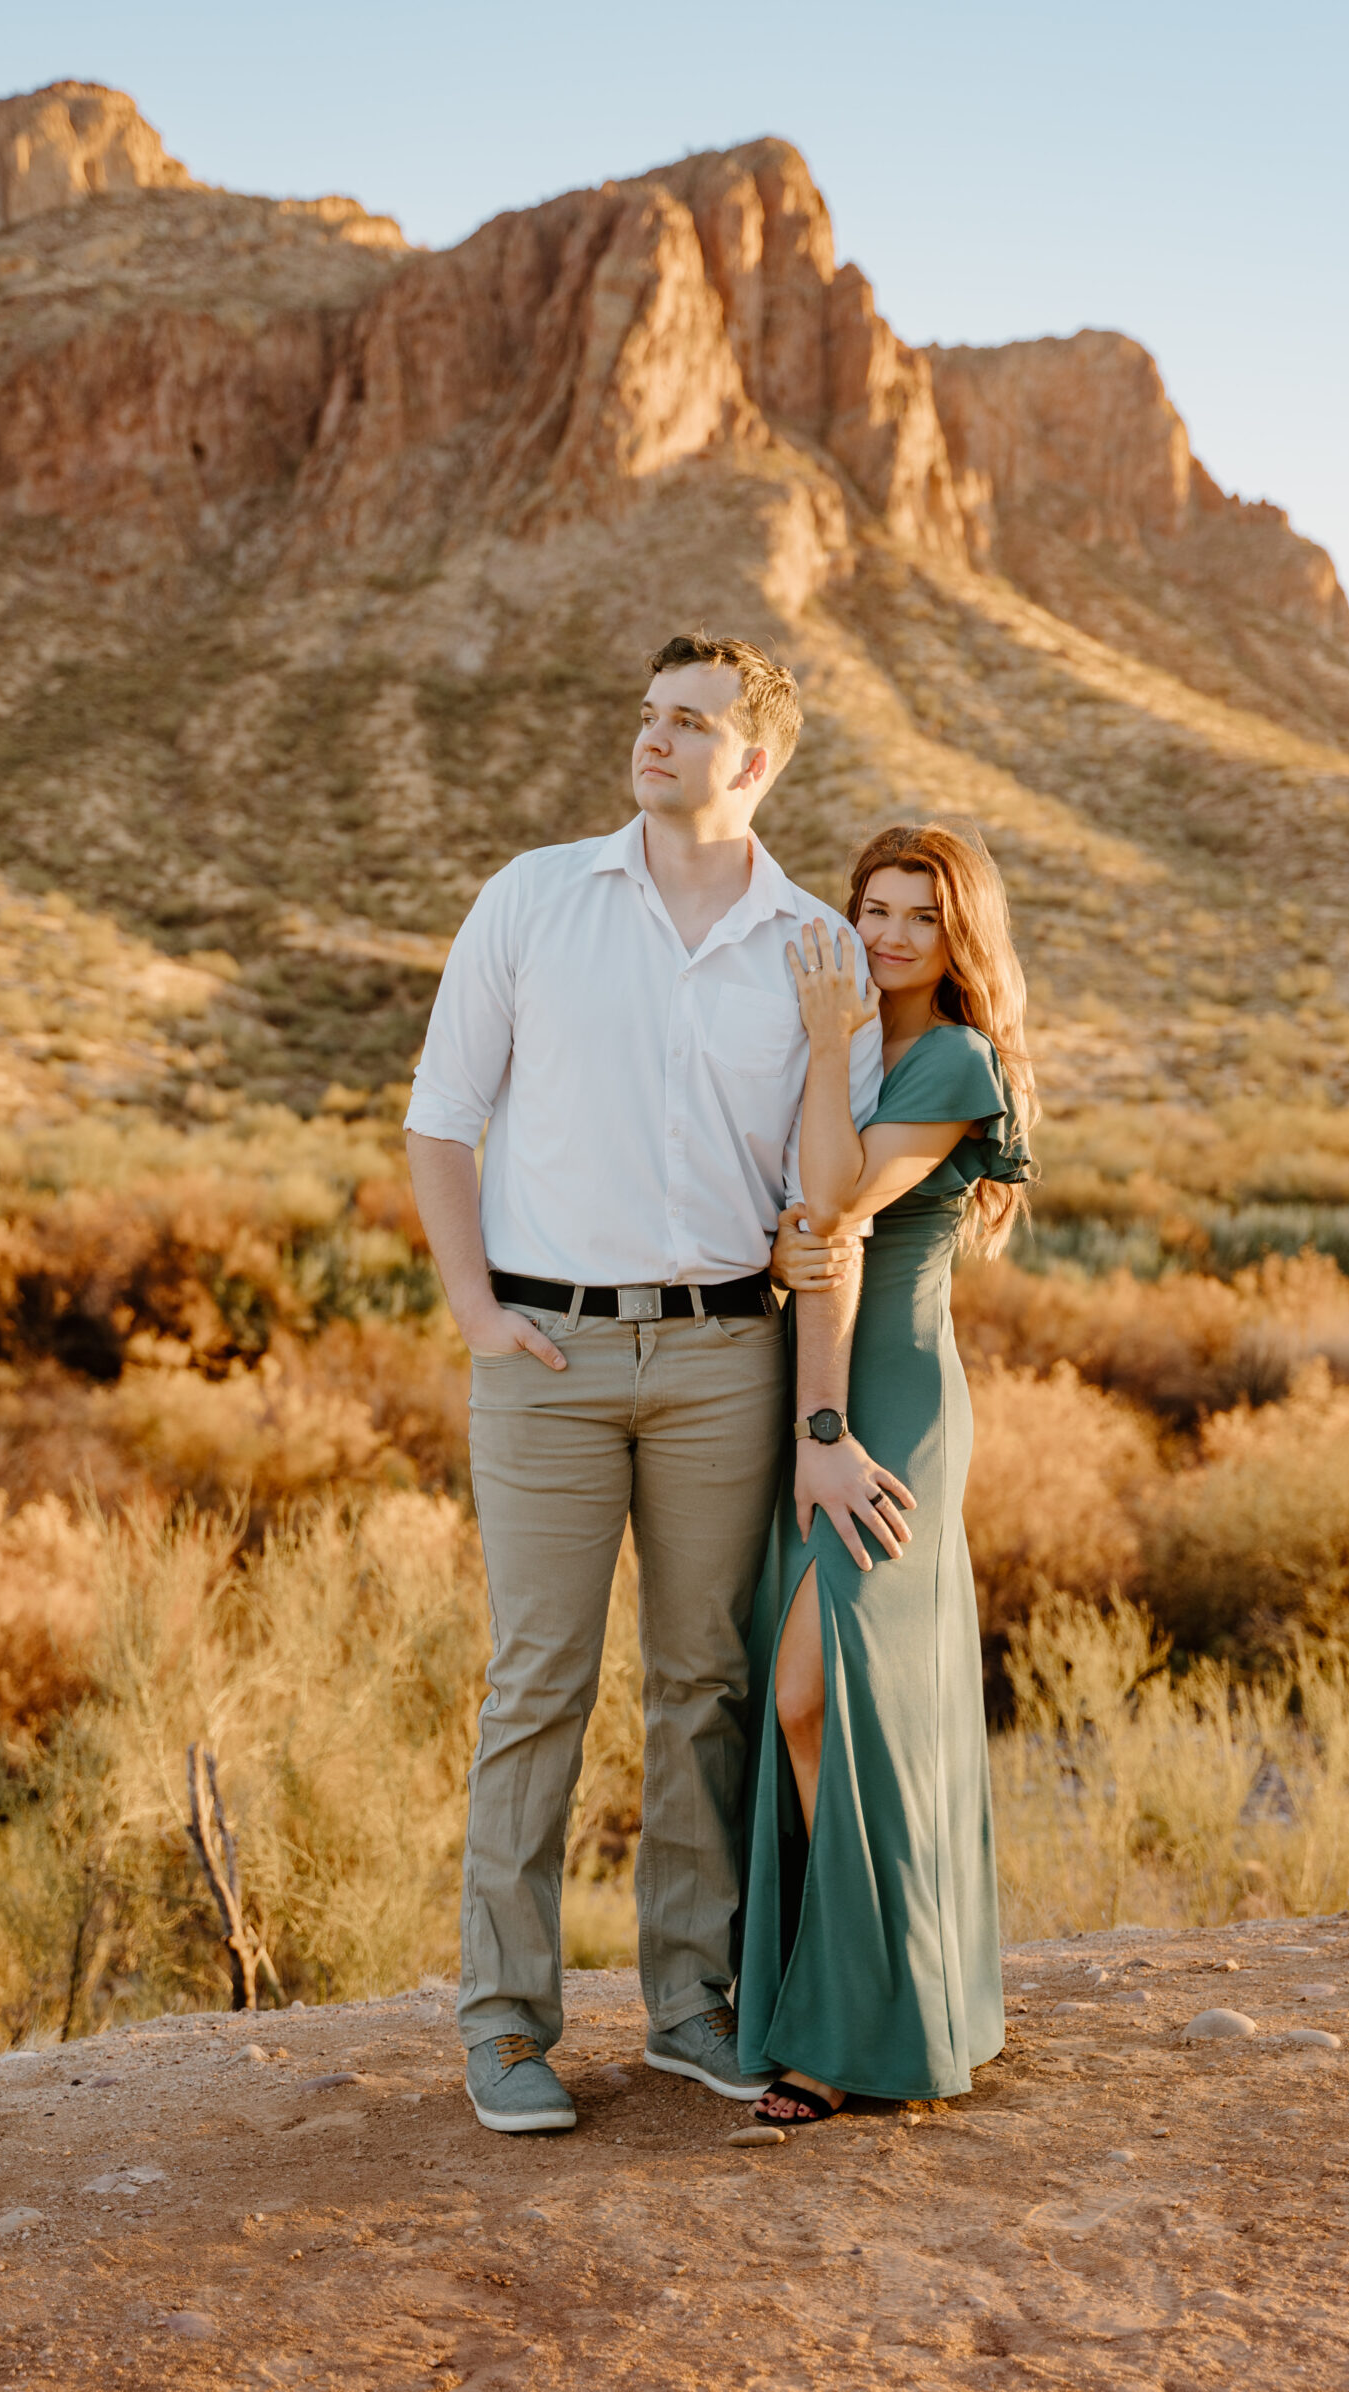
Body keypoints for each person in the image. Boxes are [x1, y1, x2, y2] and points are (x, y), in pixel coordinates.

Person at [404, 630, 914, 2135]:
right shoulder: (534, 897)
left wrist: (816, 1411)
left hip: (720, 1357)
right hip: (547, 1357)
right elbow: (441, 1122)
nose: (654, 738)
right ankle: (505, 2027)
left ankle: (693, 2006)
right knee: (536, 1687)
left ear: (755, 763)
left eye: (689, 723)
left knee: (707, 1683)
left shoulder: (818, 948)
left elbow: (833, 1214)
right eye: (648, 715)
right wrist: (475, 1308)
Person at [738, 819, 1038, 2124]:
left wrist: (816, 1050)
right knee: (828, 1705)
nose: (892, 935)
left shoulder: (957, 1057)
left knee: (825, 1691)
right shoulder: (869, 1046)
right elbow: (795, 1221)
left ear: (956, 933)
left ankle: (872, 2017)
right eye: (875, 908)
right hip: (812, 1396)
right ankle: (883, 2004)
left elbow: (842, 1202)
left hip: (894, 1410)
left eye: (920, 915)